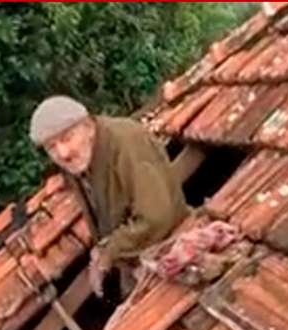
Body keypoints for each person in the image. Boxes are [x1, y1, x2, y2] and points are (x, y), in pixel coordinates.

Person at [29, 95, 188, 297]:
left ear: (88, 126)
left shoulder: (127, 142)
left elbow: (156, 217)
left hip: (175, 253)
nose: (63, 153)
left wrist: (108, 251)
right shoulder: (81, 160)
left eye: (67, 138)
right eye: (51, 147)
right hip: (137, 264)